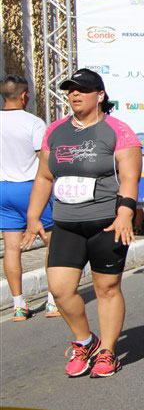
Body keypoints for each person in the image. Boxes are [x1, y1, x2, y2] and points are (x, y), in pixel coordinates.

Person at [21, 68, 142, 377]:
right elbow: (44, 176)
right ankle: (86, 341)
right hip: (66, 223)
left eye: (82, 89)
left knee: (107, 288)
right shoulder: (55, 131)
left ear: (99, 95)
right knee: (60, 290)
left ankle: (107, 351)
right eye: (70, 89)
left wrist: (125, 213)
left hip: (106, 223)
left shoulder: (118, 131)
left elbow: (130, 177)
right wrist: (33, 216)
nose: (74, 94)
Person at [1, 75, 58, 320]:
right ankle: (53, 301)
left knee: (11, 249)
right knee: (52, 243)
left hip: (3, 189)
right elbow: (43, 160)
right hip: (31, 188)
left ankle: (18, 306)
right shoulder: (34, 123)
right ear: (24, 96)